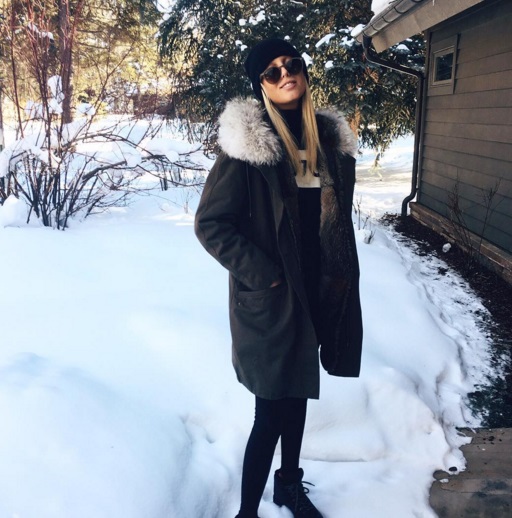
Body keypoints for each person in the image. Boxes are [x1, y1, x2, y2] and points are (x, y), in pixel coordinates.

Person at [194, 38, 363, 518]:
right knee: (269, 411)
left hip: (315, 292)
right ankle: (247, 512)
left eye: (292, 65)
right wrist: (264, 274)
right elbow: (211, 225)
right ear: (261, 86)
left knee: (298, 393)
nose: (285, 74)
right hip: (270, 300)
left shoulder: (323, 143)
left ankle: (288, 485)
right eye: (272, 71)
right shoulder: (248, 150)